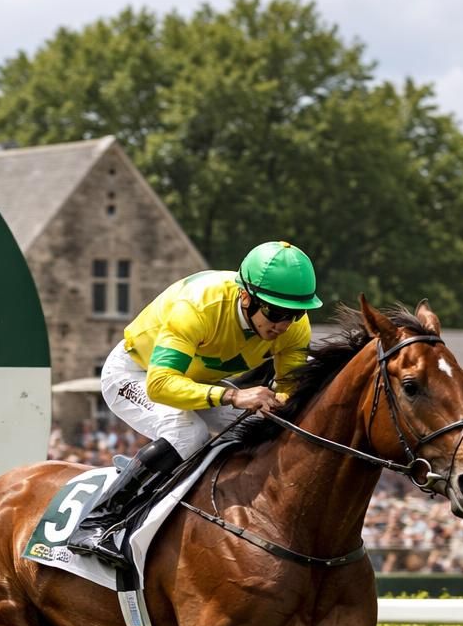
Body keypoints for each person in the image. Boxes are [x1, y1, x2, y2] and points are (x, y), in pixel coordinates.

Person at [68, 240, 322, 564]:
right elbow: (159, 384)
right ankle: (97, 522)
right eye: (275, 311)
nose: (284, 324)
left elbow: (290, 391)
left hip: (198, 383)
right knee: (188, 433)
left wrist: (282, 401)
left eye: (296, 313)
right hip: (136, 374)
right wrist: (233, 395)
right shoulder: (200, 305)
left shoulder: (293, 329)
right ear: (246, 297)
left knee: (265, 429)